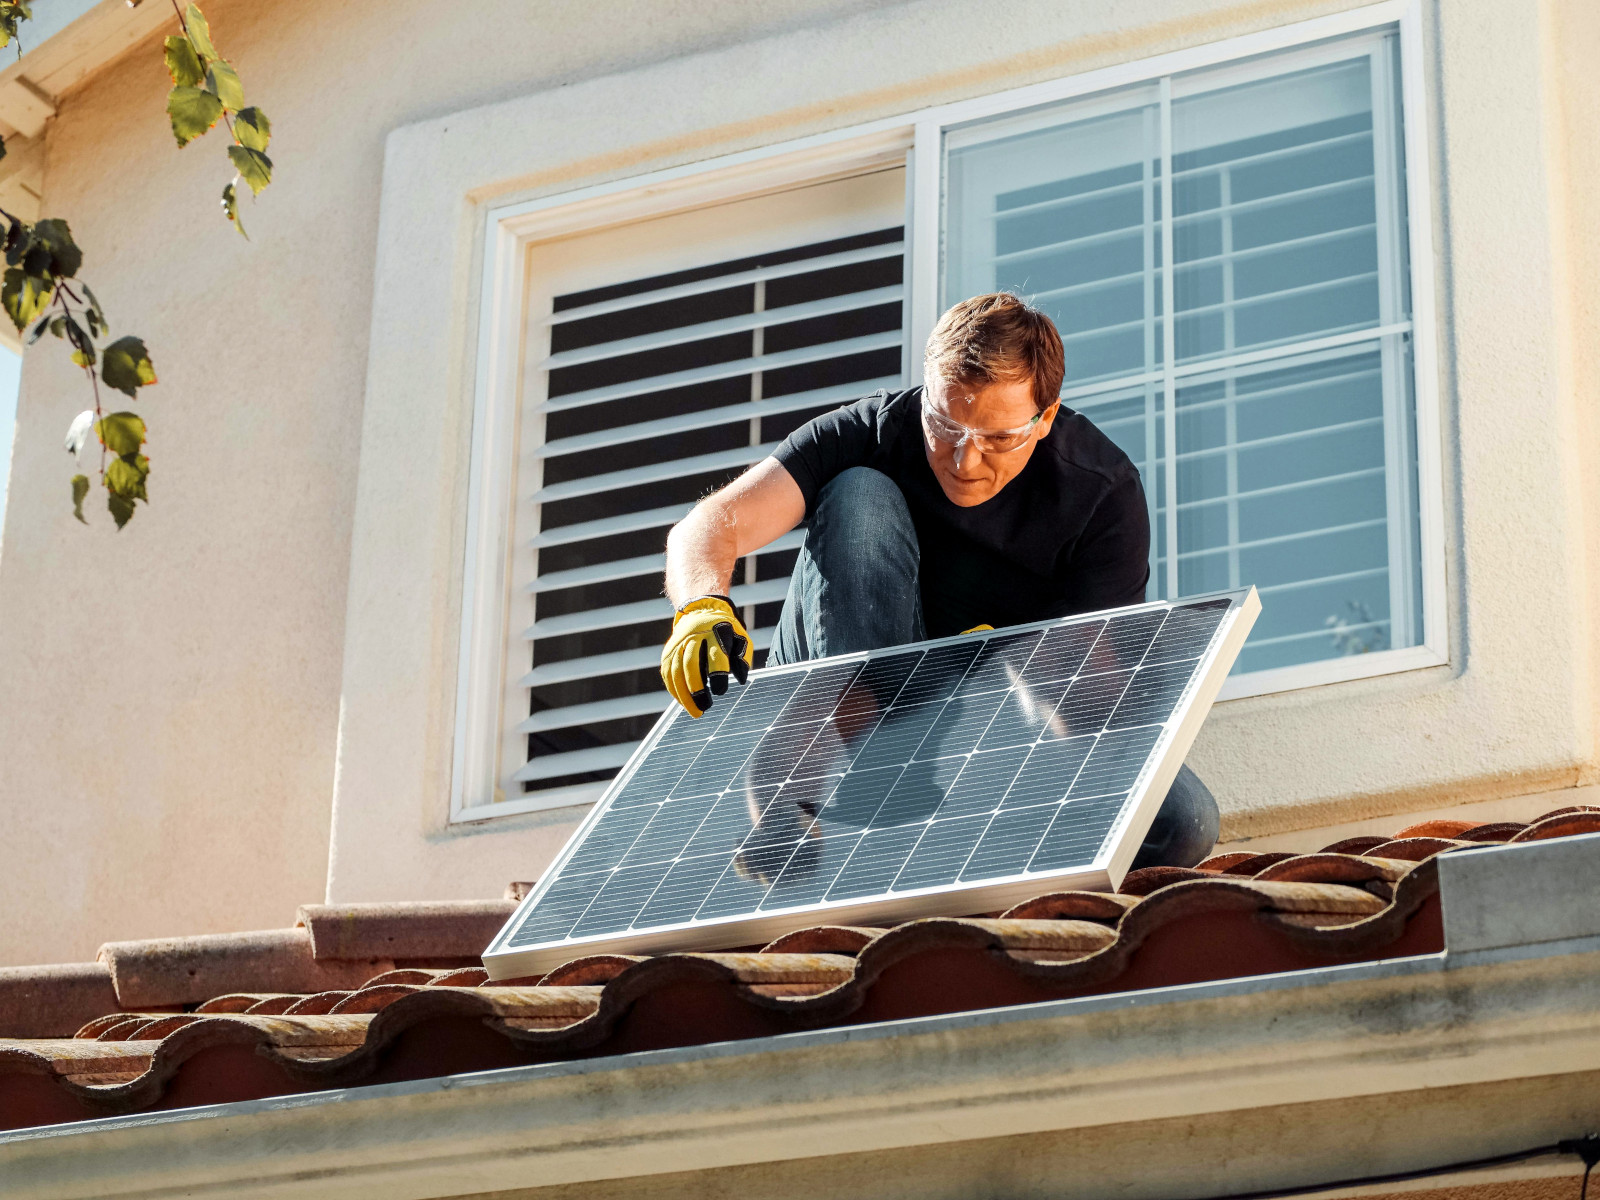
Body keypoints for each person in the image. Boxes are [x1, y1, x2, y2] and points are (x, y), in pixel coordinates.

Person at [658, 292, 1218, 870]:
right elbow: (707, 528)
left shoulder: (1100, 495)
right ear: (925, 392)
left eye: (999, 438)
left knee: (1181, 824)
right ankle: (821, 767)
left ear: (1046, 417)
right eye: (945, 424)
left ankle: (944, 806)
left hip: (987, 727)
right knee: (859, 493)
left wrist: (1026, 672)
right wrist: (700, 608)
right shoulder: (872, 431)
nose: (964, 460)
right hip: (853, 700)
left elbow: (1096, 711)